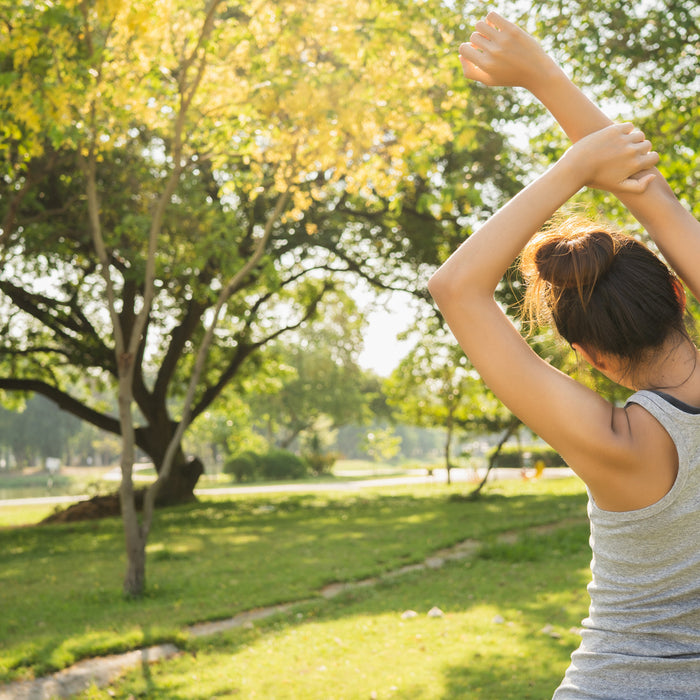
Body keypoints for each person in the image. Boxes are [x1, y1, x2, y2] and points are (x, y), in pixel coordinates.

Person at [428, 12, 700, 699]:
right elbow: (651, 195)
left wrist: (575, 167)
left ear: (588, 356)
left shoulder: (617, 442)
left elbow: (456, 288)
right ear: (679, 292)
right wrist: (545, 77)